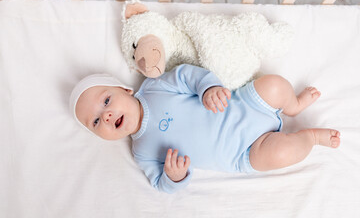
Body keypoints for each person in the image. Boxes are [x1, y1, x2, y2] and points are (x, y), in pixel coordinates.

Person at [70, 64, 340, 194]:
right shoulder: (142, 152)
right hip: (245, 153)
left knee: (274, 84)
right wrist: (172, 177)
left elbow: (187, 75)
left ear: (125, 89)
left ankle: (292, 106)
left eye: (106, 101)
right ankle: (311, 137)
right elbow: (160, 184)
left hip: (244, 105)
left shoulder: (154, 88)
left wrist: (207, 88)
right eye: (95, 122)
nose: (105, 115)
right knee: (282, 153)